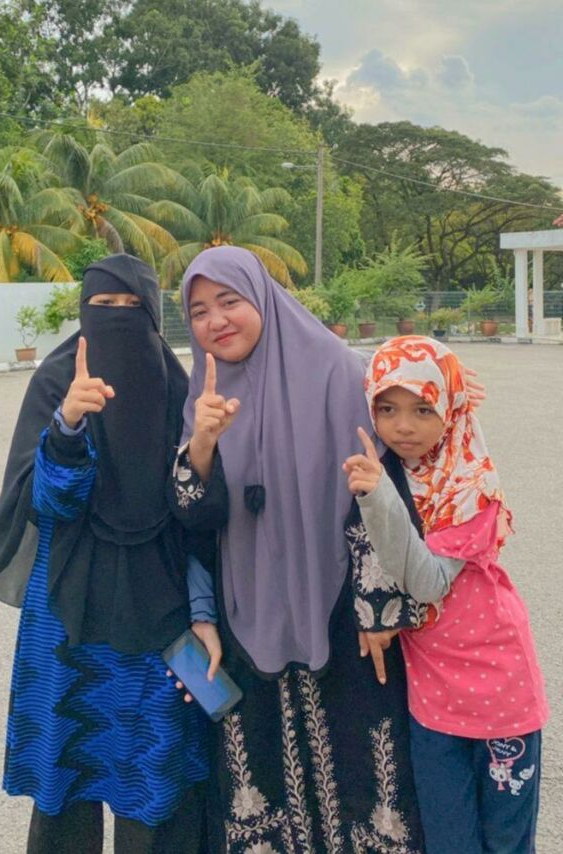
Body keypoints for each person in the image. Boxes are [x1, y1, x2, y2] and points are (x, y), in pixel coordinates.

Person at [168, 246, 426, 854]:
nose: (215, 321)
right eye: (199, 311)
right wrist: (201, 444)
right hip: (246, 606)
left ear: (263, 298)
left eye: (229, 301)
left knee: (363, 761)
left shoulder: (339, 372)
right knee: (259, 767)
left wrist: (377, 608)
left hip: (340, 607)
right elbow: (193, 522)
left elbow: (381, 491)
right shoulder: (202, 396)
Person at [0, 254, 221, 854]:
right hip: (66, 615)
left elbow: (196, 520)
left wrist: (204, 612)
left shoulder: (180, 391)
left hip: (161, 612)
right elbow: (47, 505)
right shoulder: (57, 382)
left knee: (159, 775)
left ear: (153, 316)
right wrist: (67, 427)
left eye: (132, 307)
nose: (117, 318)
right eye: (103, 307)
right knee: (66, 774)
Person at [343, 335, 548, 854]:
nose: (403, 426)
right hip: (433, 701)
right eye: (386, 409)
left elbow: (428, 581)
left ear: (452, 408)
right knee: (449, 841)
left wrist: (379, 500)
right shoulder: (393, 475)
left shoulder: (471, 489)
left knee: (506, 841)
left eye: (423, 408)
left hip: (500, 695)